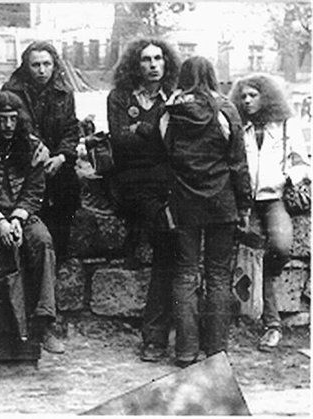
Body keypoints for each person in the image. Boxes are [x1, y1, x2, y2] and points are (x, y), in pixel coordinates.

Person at [160, 56, 252, 367]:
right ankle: (216, 351)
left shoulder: (170, 112)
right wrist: (244, 205)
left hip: (184, 202)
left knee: (185, 273)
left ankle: (186, 351)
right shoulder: (226, 109)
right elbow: (238, 163)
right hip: (221, 201)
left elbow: (166, 158)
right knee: (218, 274)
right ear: (212, 75)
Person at [0, 91, 64, 357]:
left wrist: (17, 218)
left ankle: (45, 322)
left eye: (13, 119)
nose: (8, 125)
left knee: (42, 240)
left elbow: (34, 190)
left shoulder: (34, 148)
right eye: (2, 119)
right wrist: (0, 222)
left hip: (22, 215)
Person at [107, 38, 180, 362]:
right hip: (132, 184)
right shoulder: (120, 97)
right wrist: (154, 132)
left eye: (158, 58)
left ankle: (173, 331)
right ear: (134, 65)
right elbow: (120, 143)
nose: (152, 65)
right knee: (166, 243)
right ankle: (154, 337)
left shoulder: (174, 97)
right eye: (145, 60)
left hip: (168, 184)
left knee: (176, 250)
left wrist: (139, 129)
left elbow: (175, 146)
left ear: (167, 63)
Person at [229, 74, 310, 351]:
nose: (247, 100)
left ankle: (266, 286)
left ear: (267, 97)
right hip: (247, 201)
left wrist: (289, 177)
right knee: (249, 253)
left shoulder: (286, 123)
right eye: (243, 96)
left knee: (280, 247)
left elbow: (301, 160)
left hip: (275, 198)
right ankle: (272, 325)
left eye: (253, 95)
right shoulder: (239, 125)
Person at [1, 41, 80, 265]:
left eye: (47, 64)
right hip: (22, 159)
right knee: (32, 202)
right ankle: (28, 259)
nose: (42, 70)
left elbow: (71, 129)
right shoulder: (11, 92)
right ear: (26, 66)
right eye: (35, 65)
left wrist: (61, 157)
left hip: (55, 160)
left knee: (68, 190)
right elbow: (10, 128)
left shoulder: (64, 92)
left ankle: (59, 258)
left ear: (55, 65)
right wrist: (36, 149)